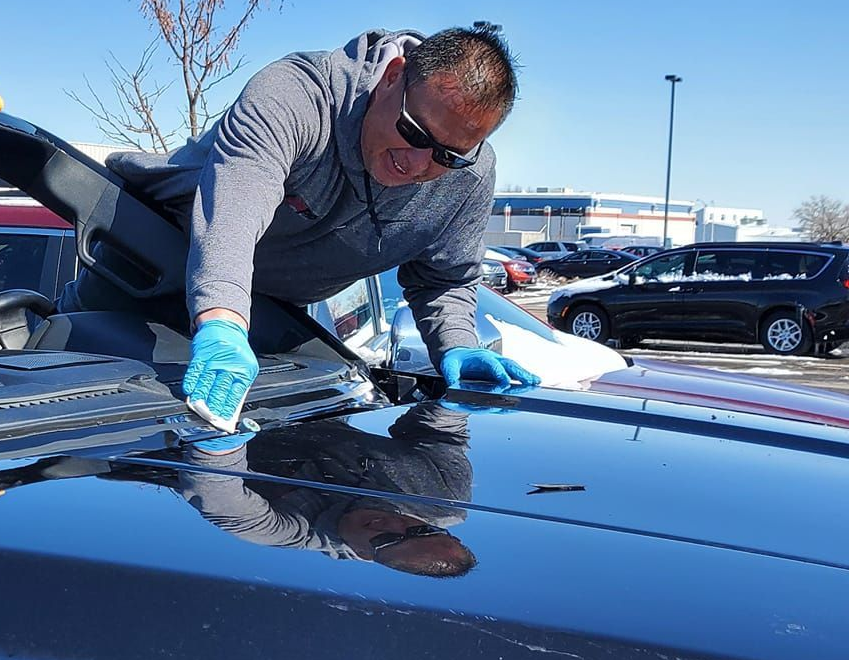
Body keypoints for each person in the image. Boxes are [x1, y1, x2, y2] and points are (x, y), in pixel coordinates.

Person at [85, 25, 540, 427]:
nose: (417, 163)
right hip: (142, 271)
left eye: (446, 155)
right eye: (414, 132)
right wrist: (222, 321)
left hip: (270, 320)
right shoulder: (296, 96)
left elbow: (443, 278)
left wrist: (458, 344)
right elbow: (235, 209)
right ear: (393, 76)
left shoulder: (469, 176)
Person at [175, 402, 478, 578]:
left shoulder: (289, 529)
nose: (390, 524)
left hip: (191, 418)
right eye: (421, 530)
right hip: (304, 388)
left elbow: (217, 495)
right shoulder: (445, 498)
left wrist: (218, 445)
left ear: (363, 554)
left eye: (386, 540)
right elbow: (440, 435)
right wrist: (453, 401)